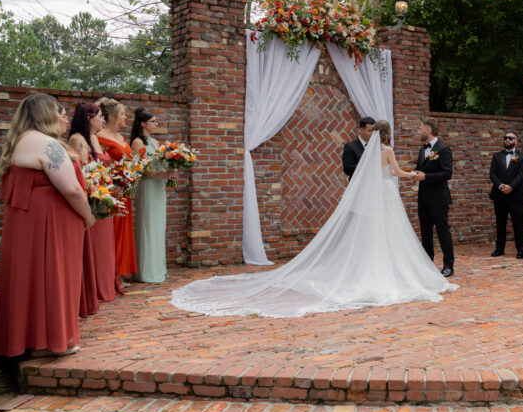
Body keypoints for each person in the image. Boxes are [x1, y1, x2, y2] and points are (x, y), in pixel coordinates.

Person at [171, 120, 456, 317]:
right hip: (385, 195)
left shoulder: (370, 152)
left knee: (373, 233)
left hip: (374, 197)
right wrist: (414, 174)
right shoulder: (388, 150)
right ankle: (389, 270)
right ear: (388, 133)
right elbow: (394, 173)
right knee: (389, 233)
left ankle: (369, 267)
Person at [0, 92, 95, 358]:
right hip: (51, 222)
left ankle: (29, 340)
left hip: (28, 222)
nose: (64, 119)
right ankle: (53, 341)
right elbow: (71, 189)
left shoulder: (18, 141)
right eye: (59, 113)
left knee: (30, 277)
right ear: (47, 114)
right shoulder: (47, 144)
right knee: (54, 275)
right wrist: (88, 215)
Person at [69, 102, 120, 304]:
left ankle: (106, 284)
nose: (103, 120)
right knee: (96, 247)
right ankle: (95, 288)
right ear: (89, 119)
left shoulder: (94, 138)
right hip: (92, 197)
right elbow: (80, 172)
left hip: (104, 194)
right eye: (99, 117)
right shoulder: (77, 139)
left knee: (105, 246)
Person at [95, 97, 137, 288]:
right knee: (112, 232)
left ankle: (120, 273)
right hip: (112, 190)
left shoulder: (120, 138)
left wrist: (132, 175)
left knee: (122, 232)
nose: (125, 117)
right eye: (122, 114)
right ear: (112, 116)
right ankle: (109, 276)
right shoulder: (100, 137)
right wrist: (116, 180)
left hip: (124, 190)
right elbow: (100, 164)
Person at [130, 107, 172, 283]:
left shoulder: (155, 142)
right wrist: (163, 175)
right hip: (147, 186)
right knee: (148, 226)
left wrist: (172, 167)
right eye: (153, 121)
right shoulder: (137, 143)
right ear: (143, 124)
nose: (156, 124)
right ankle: (146, 272)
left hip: (158, 187)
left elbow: (161, 163)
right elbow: (141, 171)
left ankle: (158, 269)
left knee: (158, 227)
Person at [414, 116, 455, 277]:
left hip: (438, 198)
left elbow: (447, 173)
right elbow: (420, 168)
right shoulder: (422, 150)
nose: (418, 132)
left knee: (442, 231)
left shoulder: (443, 149)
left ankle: (448, 265)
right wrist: (414, 174)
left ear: (428, 130)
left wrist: (426, 177)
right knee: (425, 233)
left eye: (420, 129)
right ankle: (428, 264)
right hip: (423, 198)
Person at [488, 131, 523, 258]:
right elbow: (492, 174)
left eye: (510, 138)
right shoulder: (496, 156)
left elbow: (522, 175)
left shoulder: (522, 156)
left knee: (518, 223)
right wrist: (500, 185)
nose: (507, 140)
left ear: (516, 141)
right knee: (500, 223)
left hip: (516, 195)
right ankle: (499, 248)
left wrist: (511, 187)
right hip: (499, 194)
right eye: (505, 138)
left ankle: (521, 249)